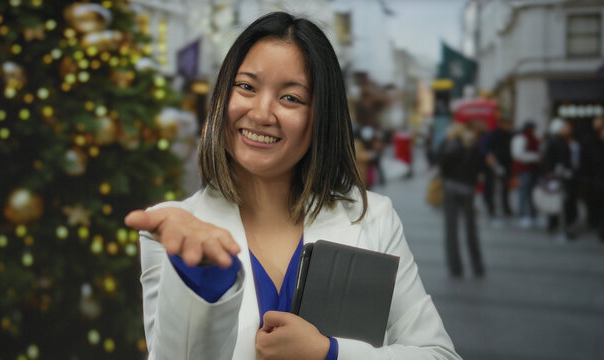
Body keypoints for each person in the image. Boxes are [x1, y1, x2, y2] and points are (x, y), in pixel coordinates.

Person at [124, 12, 460, 360]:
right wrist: (203, 281)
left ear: (320, 119)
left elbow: (438, 354)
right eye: (247, 87)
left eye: (291, 98)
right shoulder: (179, 229)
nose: (261, 113)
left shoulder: (372, 217)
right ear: (223, 95)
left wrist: (329, 353)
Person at [438, 123, 486, 277]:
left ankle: (455, 267)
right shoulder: (473, 145)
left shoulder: (447, 145)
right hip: (468, 189)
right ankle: (477, 266)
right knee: (471, 229)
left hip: (451, 188)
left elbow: (441, 165)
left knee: (451, 230)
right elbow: (481, 166)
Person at [541, 118, 578, 238]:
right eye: (565, 127)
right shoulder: (555, 141)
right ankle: (556, 226)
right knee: (557, 201)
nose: (568, 129)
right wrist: (551, 172)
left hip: (562, 176)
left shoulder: (561, 141)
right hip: (558, 177)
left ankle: (559, 225)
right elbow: (550, 159)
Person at [482, 117, 514, 226]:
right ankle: (492, 210)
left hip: (506, 165)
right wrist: (491, 160)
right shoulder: (493, 134)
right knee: (492, 189)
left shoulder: (510, 135)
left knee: (505, 189)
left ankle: (505, 209)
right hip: (494, 166)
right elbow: (485, 148)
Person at [511, 120, 540, 228]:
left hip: (532, 170)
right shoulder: (521, 138)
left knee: (532, 194)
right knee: (523, 193)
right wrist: (535, 157)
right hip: (524, 170)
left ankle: (533, 215)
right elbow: (518, 155)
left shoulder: (531, 138)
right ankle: (522, 215)